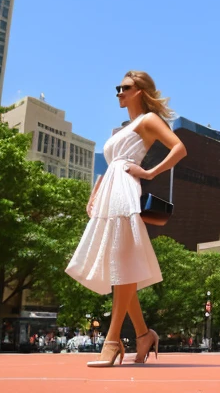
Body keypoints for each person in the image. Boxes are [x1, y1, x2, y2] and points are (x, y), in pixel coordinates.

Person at [66, 70, 186, 368]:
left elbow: (179, 148)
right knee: (118, 264)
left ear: (140, 91)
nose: (119, 92)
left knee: (121, 262)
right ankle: (143, 335)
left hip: (125, 191)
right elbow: (110, 166)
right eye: (118, 87)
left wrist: (149, 173)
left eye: (125, 87)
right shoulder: (119, 129)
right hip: (109, 191)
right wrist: (94, 194)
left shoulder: (148, 120)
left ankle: (112, 340)